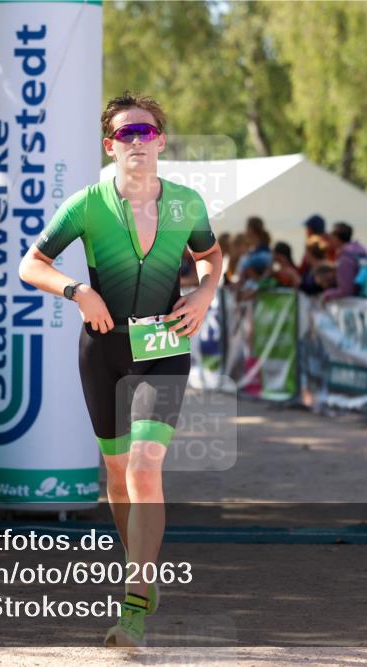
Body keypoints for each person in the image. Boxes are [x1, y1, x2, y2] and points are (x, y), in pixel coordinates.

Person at [18, 92, 223, 648]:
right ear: (109, 146)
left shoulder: (185, 204)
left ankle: (133, 608)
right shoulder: (87, 204)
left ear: (160, 141)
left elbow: (211, 255)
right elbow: (30, 262)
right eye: (125, 134)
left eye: (146, 132)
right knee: (116, 476)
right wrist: (78, 290)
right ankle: (143, 565)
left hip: (164, 345)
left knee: (143, 469)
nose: (136, 141)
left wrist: (205, 291)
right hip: (103, 349)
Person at [322, 221, 367, 301]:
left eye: (331, 235)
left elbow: (346, 290)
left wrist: (327, 294)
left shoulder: (345, 259)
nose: (329, 239)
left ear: (337, 238)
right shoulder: (357, 252)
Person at [236, 216, 272, 281]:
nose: (245, 231)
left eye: (246, 228)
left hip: (255, 289)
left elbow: (263, 277)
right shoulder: (252, 251)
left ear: (251, 230)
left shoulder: (264, 253)